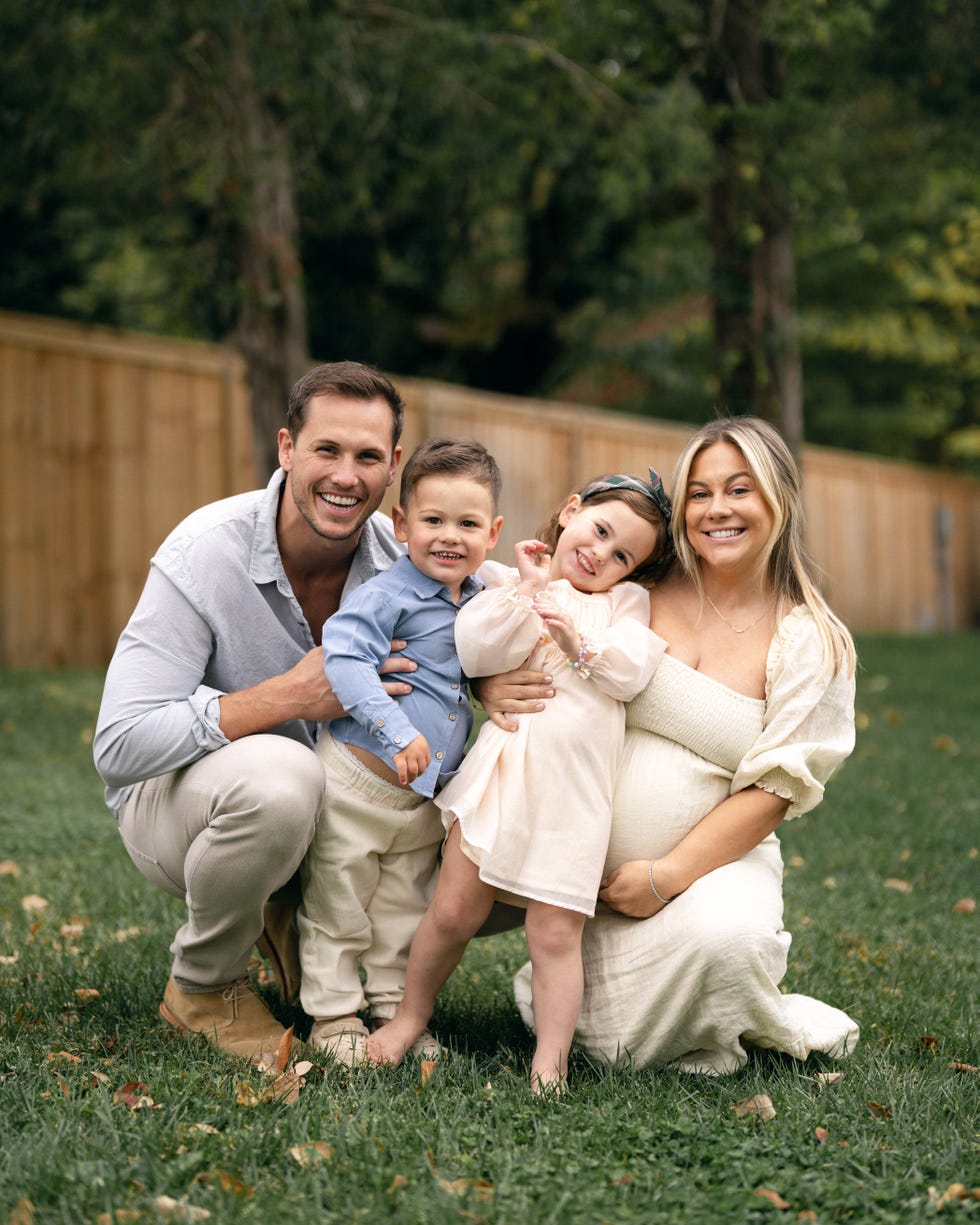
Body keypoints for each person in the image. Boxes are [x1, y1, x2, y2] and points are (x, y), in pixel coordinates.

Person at [498, 417, 859, 1073]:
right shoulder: (635, 585)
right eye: (700, 492)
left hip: (703, 873)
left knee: (731, 942)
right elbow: (534, 622)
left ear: (778, 499)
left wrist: (662, 878)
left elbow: (777, 788)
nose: (718, 508)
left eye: (740, 489)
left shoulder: (810, 638)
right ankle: (355, 995)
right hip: (561, 844)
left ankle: (617, 1015)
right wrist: (490, 683)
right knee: (430, 856)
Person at [92, 361, 420, 1065]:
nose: (345, 474)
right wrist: (287, 698)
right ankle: (204, 987)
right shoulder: (205, 551)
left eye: (367, 456)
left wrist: (519, 667)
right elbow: (119, 744)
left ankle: (300, 921)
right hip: (184, 805)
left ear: (393, 465)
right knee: (283, 776)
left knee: (501, 802)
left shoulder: (410, 557)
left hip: (338, 813)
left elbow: (525, 593)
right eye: (326, 449)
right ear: (286, 449)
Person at [369, 471, 673, 1091]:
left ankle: (549, 1063)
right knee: (452, 911)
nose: (600, 555)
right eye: (600, 531)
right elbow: (475, 651)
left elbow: (633, 670)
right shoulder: (511, 579)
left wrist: (575, 639)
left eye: (623, 556)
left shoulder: (622, 606)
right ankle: (408, 1017)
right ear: (570, 510)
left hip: (574, 798)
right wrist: (529, 595)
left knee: (554, 935)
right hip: (501, 778)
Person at [299, 438, 503, 1065]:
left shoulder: (478, 600)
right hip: (359, 783)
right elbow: (346, 660)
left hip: (421, 796)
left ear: (492, 533)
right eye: (433, 520)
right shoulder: (389, 594)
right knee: (338, 902)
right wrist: (397, 732)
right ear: (401, 524)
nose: (449, 536)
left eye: (467, 524)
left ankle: (393, 1010)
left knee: (402, 910)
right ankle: (332, 1016)